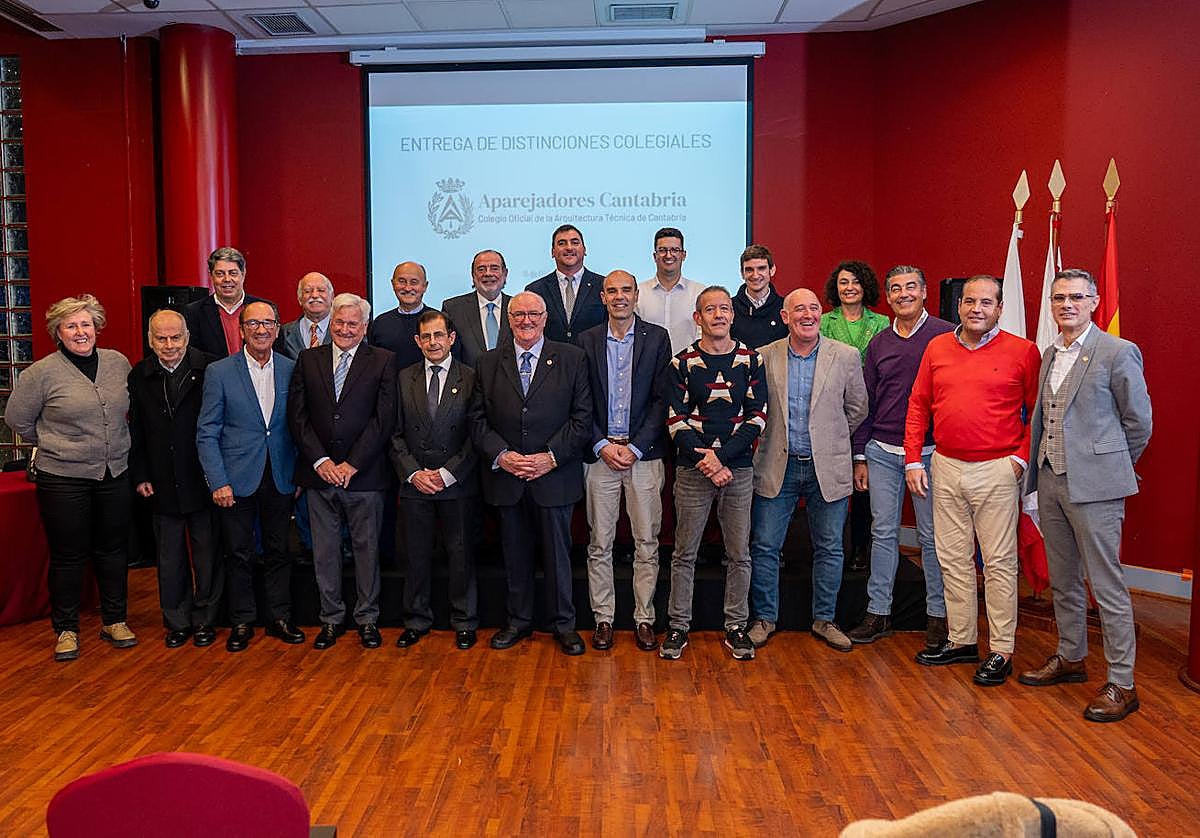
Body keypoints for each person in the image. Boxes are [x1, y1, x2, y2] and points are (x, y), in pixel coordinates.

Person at [1017, 269, 1152, 722]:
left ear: (1094, 301)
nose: (1066, 304)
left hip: (1097, 485)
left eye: (1077, 296)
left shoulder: (1117, 352)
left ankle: (1122, 682)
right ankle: (1071, 656)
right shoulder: (1049, 352)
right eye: (1059, 298)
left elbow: (1139, 423)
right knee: (1065, 578)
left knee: (1106, 584)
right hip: (1050, 480)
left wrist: (1107, 466)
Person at [905, 275, 1040, 686]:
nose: (976, 309)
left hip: (998, 469)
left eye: (986, 302)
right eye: (968, 301)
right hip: (944, 465)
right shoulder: (937, 346)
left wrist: (1019, 460)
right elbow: (918, 404)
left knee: (998, 564)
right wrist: (913, 460)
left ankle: (1001, 650)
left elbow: (1037, 413)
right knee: (953, 559)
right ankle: (961, 640)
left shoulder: (1023, 351)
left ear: (999, 308)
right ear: (958, 306)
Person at [5, 295, 136, 662]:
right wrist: (56, 443)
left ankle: (115, 619)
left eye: (86, 324)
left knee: (113, 550)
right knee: (68, 555)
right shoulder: (41, 373)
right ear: (58, 333)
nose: (81, 332)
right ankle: (66, 629)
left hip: (114, 471)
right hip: (63, 476)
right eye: (71, 326)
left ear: (96, 327)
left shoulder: (117, 363)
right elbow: (18, 420)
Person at [469, 290, 592, 655]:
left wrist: (550, 457)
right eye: (518, 314)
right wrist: (502, 455)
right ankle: (518, 621)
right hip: (507, 477)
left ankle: (564, 624)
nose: (526, 321)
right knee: (515, 554)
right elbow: (476, 420)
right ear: (508, 319)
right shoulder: (488, 362)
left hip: (553, 476)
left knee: (558, 555)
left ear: (545, 318)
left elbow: (582, 418)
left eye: (533, 314)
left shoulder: (571, 358)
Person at [748, 288, 868, 651]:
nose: (807, 314)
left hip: (825, 467)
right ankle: (765, 619)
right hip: (776, 465)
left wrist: (828, 437)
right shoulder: (763, 357)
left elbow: (857, 408)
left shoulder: (845, 356)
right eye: (798, 309)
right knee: (765, 546)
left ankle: (825, 619)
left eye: (814, 308)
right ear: (785, 316)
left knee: (831, 547)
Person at [846, 266, 955, 650]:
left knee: (931, 538)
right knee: (883, 534)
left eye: (911, 287)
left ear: (925, 292)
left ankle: (940, 618)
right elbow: (866, 403)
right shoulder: (879, 343)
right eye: (896, 289)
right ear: (887, 297)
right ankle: (879, 613)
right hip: (882, 451)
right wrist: (860, 455)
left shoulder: (946, 336)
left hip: (930, 454)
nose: (903, 294)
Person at [661, 286, 767, 661]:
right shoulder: (681, 363)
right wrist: (706, 459)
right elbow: (674, 418)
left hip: (736, 471)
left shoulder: (751, 361)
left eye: (724, 309)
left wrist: (722, 460)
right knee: (684, 553)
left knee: (739, 554)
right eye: (710, 309)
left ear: (732, 316)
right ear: (698, 318)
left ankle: (736, 626)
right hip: (693, 471)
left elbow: (757, 416)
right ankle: (678, 626)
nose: (718, 315)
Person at [287, 293, 396, 650]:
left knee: (367, 551)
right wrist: (322, 462)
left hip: (364, 476)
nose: (345, 329)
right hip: (319, 475)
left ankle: (367, 618)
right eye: (340, 322)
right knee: (325, 551)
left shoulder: (382, 360)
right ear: (330, 323)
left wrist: (352, 463)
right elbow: (298, 417)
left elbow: (384, 419)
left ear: (364, 328)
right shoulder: (308, 359)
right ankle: (330, 619)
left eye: (353, 324)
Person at [197, 300, 305, 653]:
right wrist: (218, 481)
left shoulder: (292, 368)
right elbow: (207, 431)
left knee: (278, 551)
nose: (262, 330)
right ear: (241, 330)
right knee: (239, 553)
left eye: (268, 323)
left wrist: (300, 473)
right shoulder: (220, 372)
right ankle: (242, 620)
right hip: (235, 479)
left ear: (277, 328)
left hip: (280, 475)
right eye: (254, 324)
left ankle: (279, 617)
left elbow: (298, 427)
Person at [578, 270, 672, 652]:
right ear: (603, 297)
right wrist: (601, 444)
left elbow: (662, 401)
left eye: (626, 290)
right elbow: (580, 402)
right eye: (612, 290)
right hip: (600, 456)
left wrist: (634, 448)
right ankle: (603, 618)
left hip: (644, 455)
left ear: (637, 295)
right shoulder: (586, 341)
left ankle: (644, 618)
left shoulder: (657, 338)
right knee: (599, 542)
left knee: (646, 541)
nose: (619, 296)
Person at [127, 309, 221, 649]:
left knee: (207, 553)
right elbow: (135, 428)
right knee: (169, 557)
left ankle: (206, 619)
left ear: (187, 336)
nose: (169, 345)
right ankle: (177, 621)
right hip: (160, 477)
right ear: (151, 341)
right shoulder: (140, 375)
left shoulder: (210, 368)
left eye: (175, 337)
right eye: (161, 339)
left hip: (203, 476)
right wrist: (139, 474)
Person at [391, 310, 481, 650]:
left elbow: (477, 436)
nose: (433, 342)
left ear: (452, 338)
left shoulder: (472, 377)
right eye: (426, 337)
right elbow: (394, 434)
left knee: (461, 556)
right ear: (417, 341)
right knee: (415, 556)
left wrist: (447, 474)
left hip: (456, 483)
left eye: (439, 335)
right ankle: (416, 619)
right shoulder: (403, 378)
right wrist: (414, 472)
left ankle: (464, 620)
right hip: (415, 484)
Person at [820, 260, 890, 575]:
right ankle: (827, 546)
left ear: (865, 287)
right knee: (827, 480)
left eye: (856, 282)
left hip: (871, 410)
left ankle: (861, 546)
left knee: (863, 483)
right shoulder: (823, 321)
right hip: (829, 409)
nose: (849, 288)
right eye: (844, 282)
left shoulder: (882, 323)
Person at [526, 225, 606, 344]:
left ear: (585, 250)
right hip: (552, 359)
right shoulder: (535, 290)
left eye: (574, 242)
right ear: (552, 252)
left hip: (592, 359)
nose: (569, 248)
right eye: (562, 243)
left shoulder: (603, 285)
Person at [183, 247, 265, 358]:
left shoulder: (264, 309)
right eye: (220, 274)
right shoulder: (193, 313)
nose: (227, 279)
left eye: (233, 273)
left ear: (243, 274)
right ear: (211, 276)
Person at [636, 227, 703, 354]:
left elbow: (704, 335)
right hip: (650, 368)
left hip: (688, 367)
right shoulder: (639, 293)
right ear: (655, 256)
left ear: (683, 255)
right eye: (662, 250)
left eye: (675, 250)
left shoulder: (699, 293)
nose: (668, 255)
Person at [442, 249, 513, 368]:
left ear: (505, 274)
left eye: (494, 268)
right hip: (469, 384)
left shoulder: (518, 307)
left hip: (510, 384)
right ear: (473, 276)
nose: (488, 273)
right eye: (481, 269)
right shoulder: (453, 309)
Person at [368, 261, 433, 371]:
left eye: (414, 282)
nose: (407, 288)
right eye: (402, 281)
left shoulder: (437, 321)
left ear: (425, 286)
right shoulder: (380, 323)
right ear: (393, 284)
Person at [730, 244, 787, 349]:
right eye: (749, 270)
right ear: (742, 273)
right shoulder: (729, 308)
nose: (755, 275)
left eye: (761, 268)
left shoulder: (785, 307)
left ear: (772, 270)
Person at [275, 272, 334, 360]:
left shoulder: (343, 331)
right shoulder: (283, 333)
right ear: (299, 299)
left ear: (332, 297)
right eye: (307, 291)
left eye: (321, 290)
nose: (314, 295)